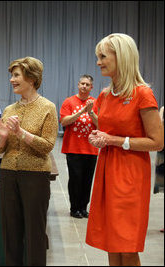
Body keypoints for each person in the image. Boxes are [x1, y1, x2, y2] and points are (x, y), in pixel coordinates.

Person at [86, 33, 164, 266]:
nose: (98, 62)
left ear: (122, 57)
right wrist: (99, 137)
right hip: (107, 170)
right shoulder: (105, 94)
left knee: (127, 245)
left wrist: (114, 140)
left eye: (103, 56)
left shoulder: (142, 94)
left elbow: (157, 142)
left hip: (130, 175)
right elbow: (107, 128)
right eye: (97, 57)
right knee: (111, 242)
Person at [0, 56, 58, 266]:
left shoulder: (48, 107)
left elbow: (47, 145)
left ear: (31, 78)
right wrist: (2, 137)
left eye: (16, 75)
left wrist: (20, 133)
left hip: (35, 176)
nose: (12, 80)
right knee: (10, 231)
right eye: (12, 75)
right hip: (8, 173)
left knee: (35, 232)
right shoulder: (9, 109)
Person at [60, 74, 99, 219]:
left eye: (87, 84)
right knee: (75, 179)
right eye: (82, 83)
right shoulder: (69, 102)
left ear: (91, 87)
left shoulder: (96, 102)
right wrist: (82, 112)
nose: (84, 86)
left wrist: (90, 112)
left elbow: (101, 124)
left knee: (87, 180)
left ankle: (83, 207)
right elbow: (64, 122)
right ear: (78, 85)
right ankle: (74, 208)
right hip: (74, 148)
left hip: (91, 149)